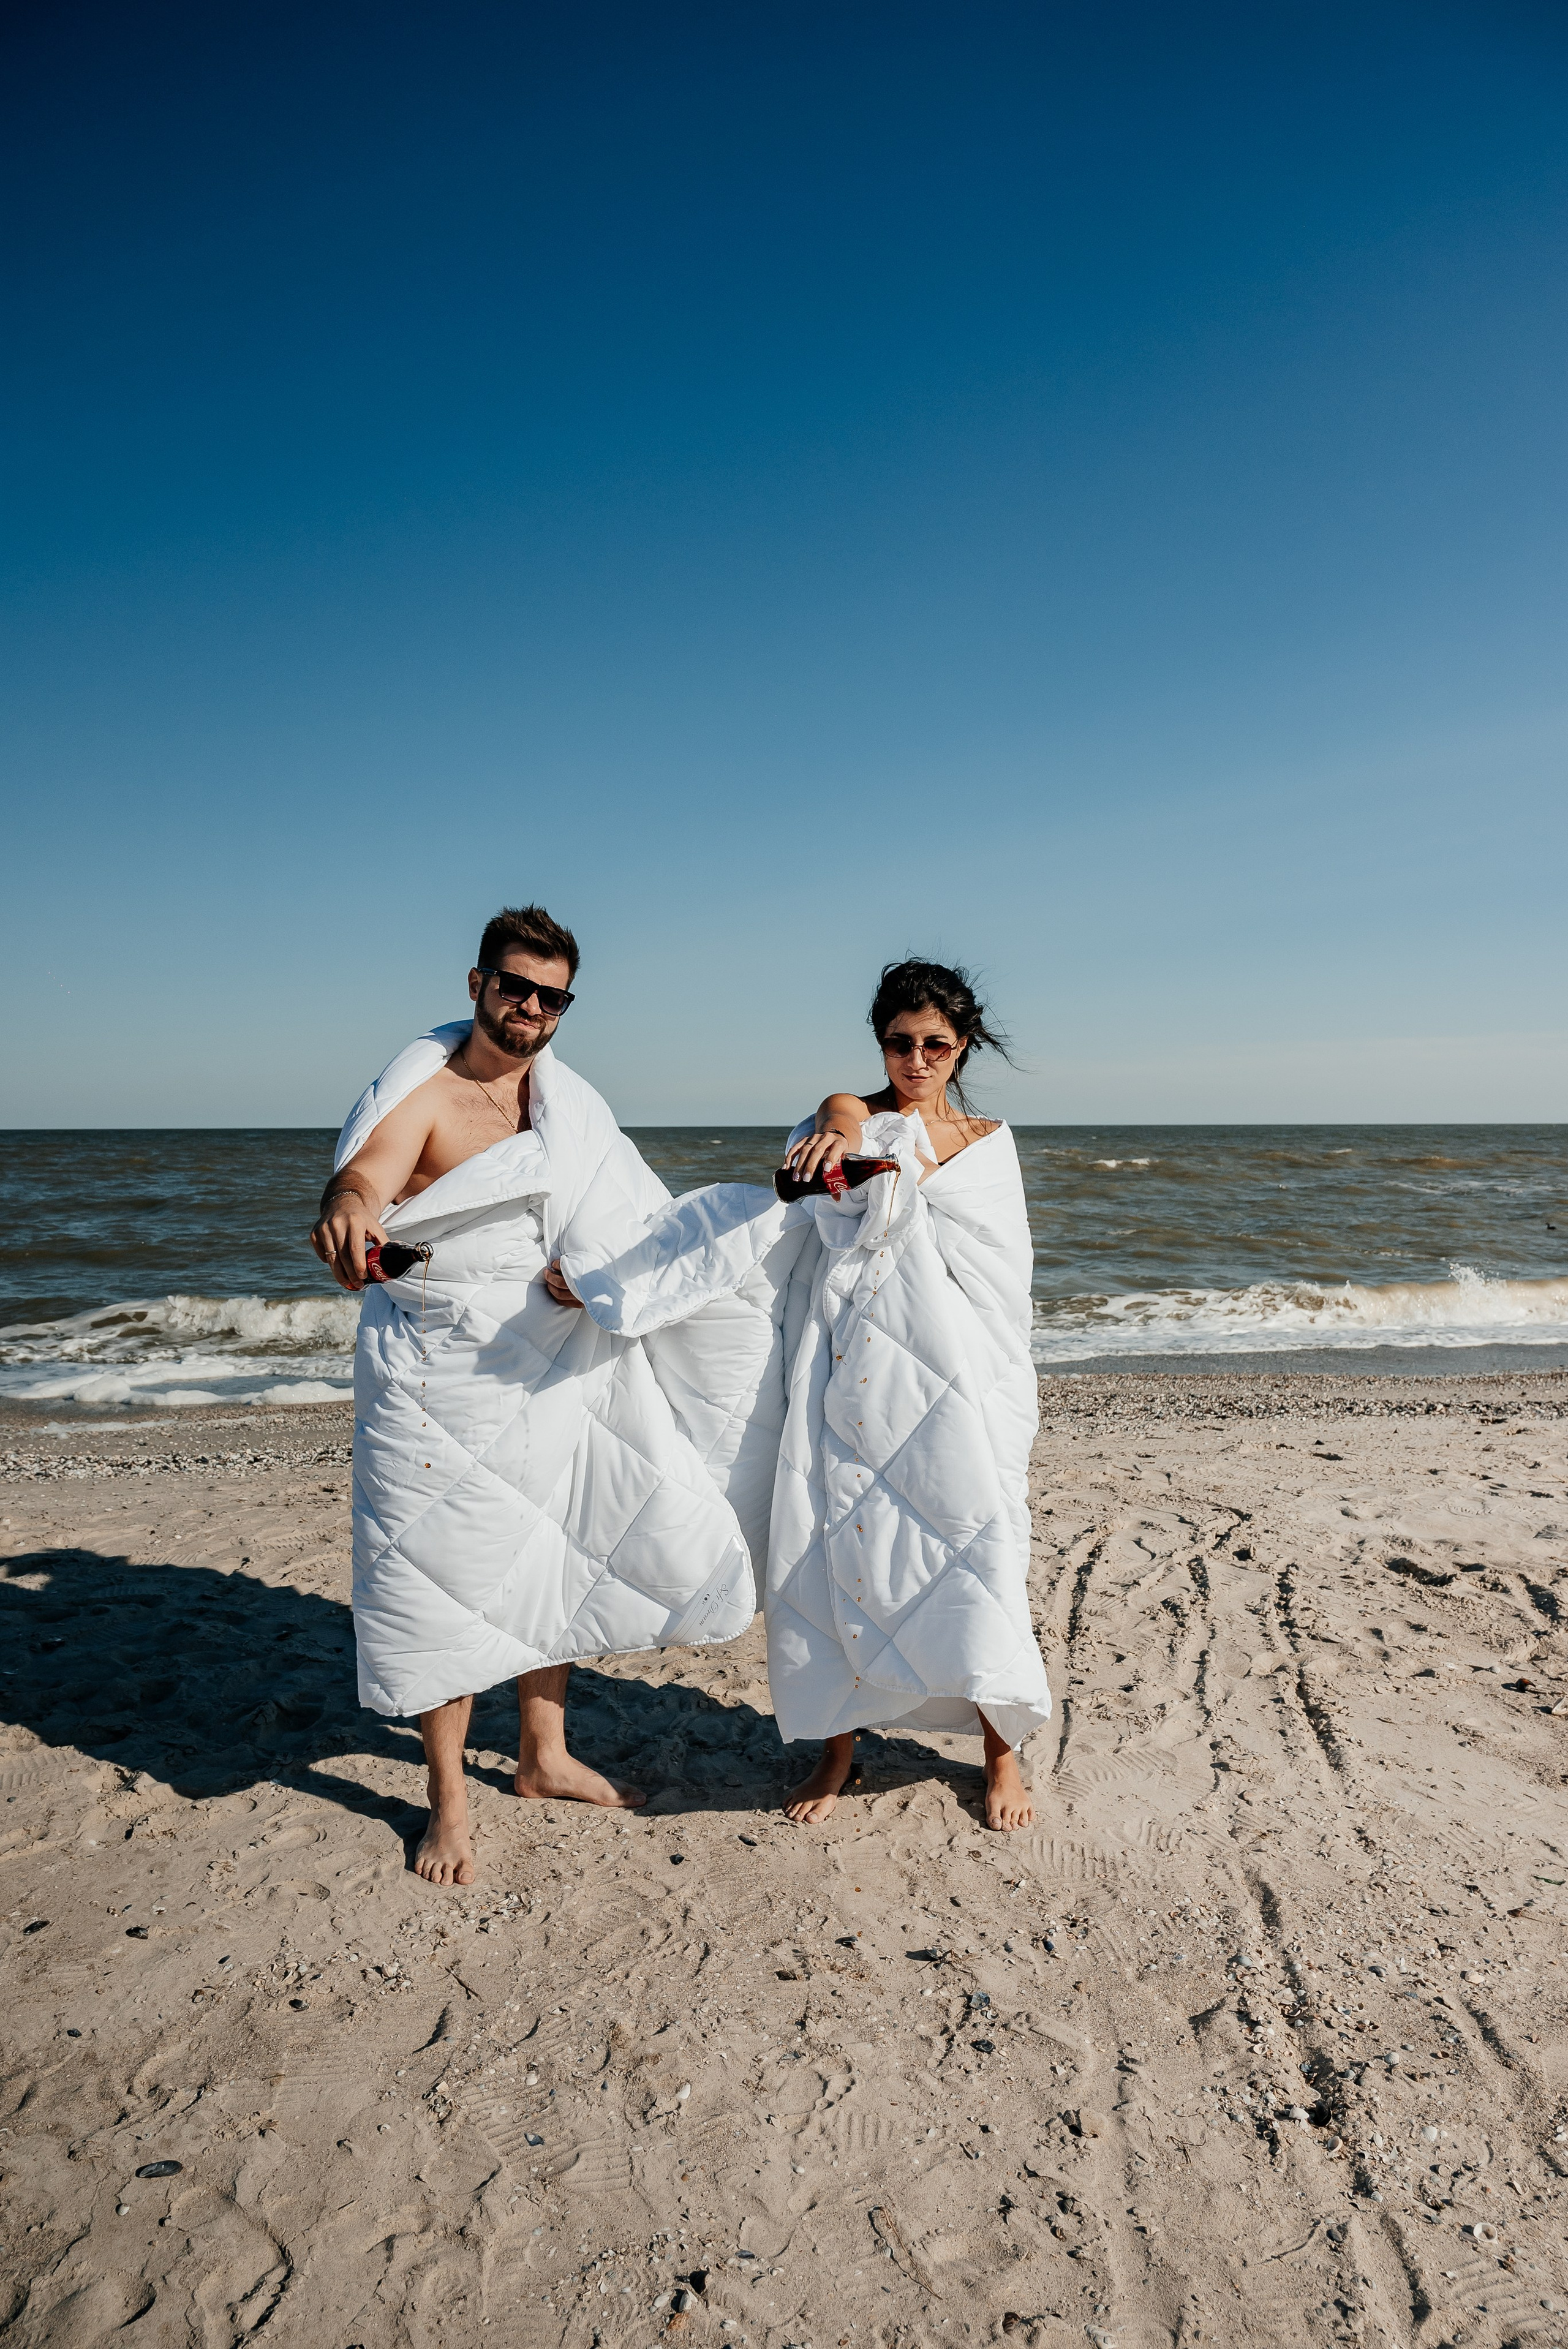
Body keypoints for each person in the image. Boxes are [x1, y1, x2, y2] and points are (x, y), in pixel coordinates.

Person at [311, 905, 769, 1887]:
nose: (528, 1007)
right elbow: (363, 1180)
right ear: (475, 983)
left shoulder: (571, 1109)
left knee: (553, 1549)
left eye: (549, 995)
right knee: (444, 1571)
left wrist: (598, 1277)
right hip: (444, 1376)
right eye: (512, 985)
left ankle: (543, 1754)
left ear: (566, 1006)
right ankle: (446, 1803)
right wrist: (346, 1214)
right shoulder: (430, 1097)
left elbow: (629, 1221)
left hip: (557, 1359)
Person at [767, 958, 1052, 1830]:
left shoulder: (988, 1144)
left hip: (975, 1380)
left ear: (961, 1046)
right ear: (880, 1044)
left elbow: (1006, 1279)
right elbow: (834, 1142)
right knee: (846, 1551)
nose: (916, 1060)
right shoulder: (850, 1125)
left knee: (983, 1548)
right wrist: (838, 1118)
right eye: (899, 1044)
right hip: (866, 1375)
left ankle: (1001, 1755)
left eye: (935, 1044)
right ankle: (837, 1751)